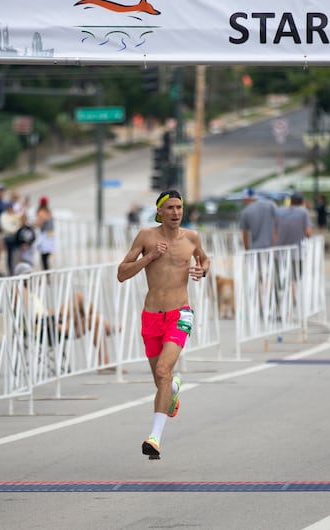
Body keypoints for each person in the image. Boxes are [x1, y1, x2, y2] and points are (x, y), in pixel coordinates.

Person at [116, 190, 210, 459]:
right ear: (160, 211)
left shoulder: (191, 237)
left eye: (179, 207)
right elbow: (121, 273)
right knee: (162, 379)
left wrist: (203, 270)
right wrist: (148, 258)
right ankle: (174, 389)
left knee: (163, 368)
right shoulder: (147, 237)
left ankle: (154, 438)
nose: (176, 212)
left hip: (180, 314)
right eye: (169, 208)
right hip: (152, 316)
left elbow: (204, 259)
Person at [276, 192, 313, 278]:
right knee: (294, 279)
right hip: (296, 252)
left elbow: (274, 229)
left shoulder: (280, 210)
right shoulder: (303, 212)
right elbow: (308, 232)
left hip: (280, 251)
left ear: (291, 201)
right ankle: (293, 291)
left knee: (281, 279)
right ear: (301, 202)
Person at [36, 196, 56, 270]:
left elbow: (40, 223)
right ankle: (47, 273)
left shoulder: (42, 212)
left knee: (43, 256)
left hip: (45, 235)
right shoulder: (49, 211)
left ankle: (46, 274)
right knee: (46, 256)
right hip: (51, 234)